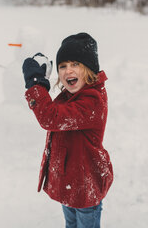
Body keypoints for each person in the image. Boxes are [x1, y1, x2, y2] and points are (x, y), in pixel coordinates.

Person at [22, 32, 113, 228]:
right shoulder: (69, 96)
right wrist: (43, 83)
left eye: (75, 64)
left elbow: (51, 117)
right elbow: (54, 115)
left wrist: (36, 85)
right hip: (69, 183)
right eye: (63, 66)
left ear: (89, 69)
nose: (68, 70)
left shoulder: (92, 101)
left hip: (85, 187)